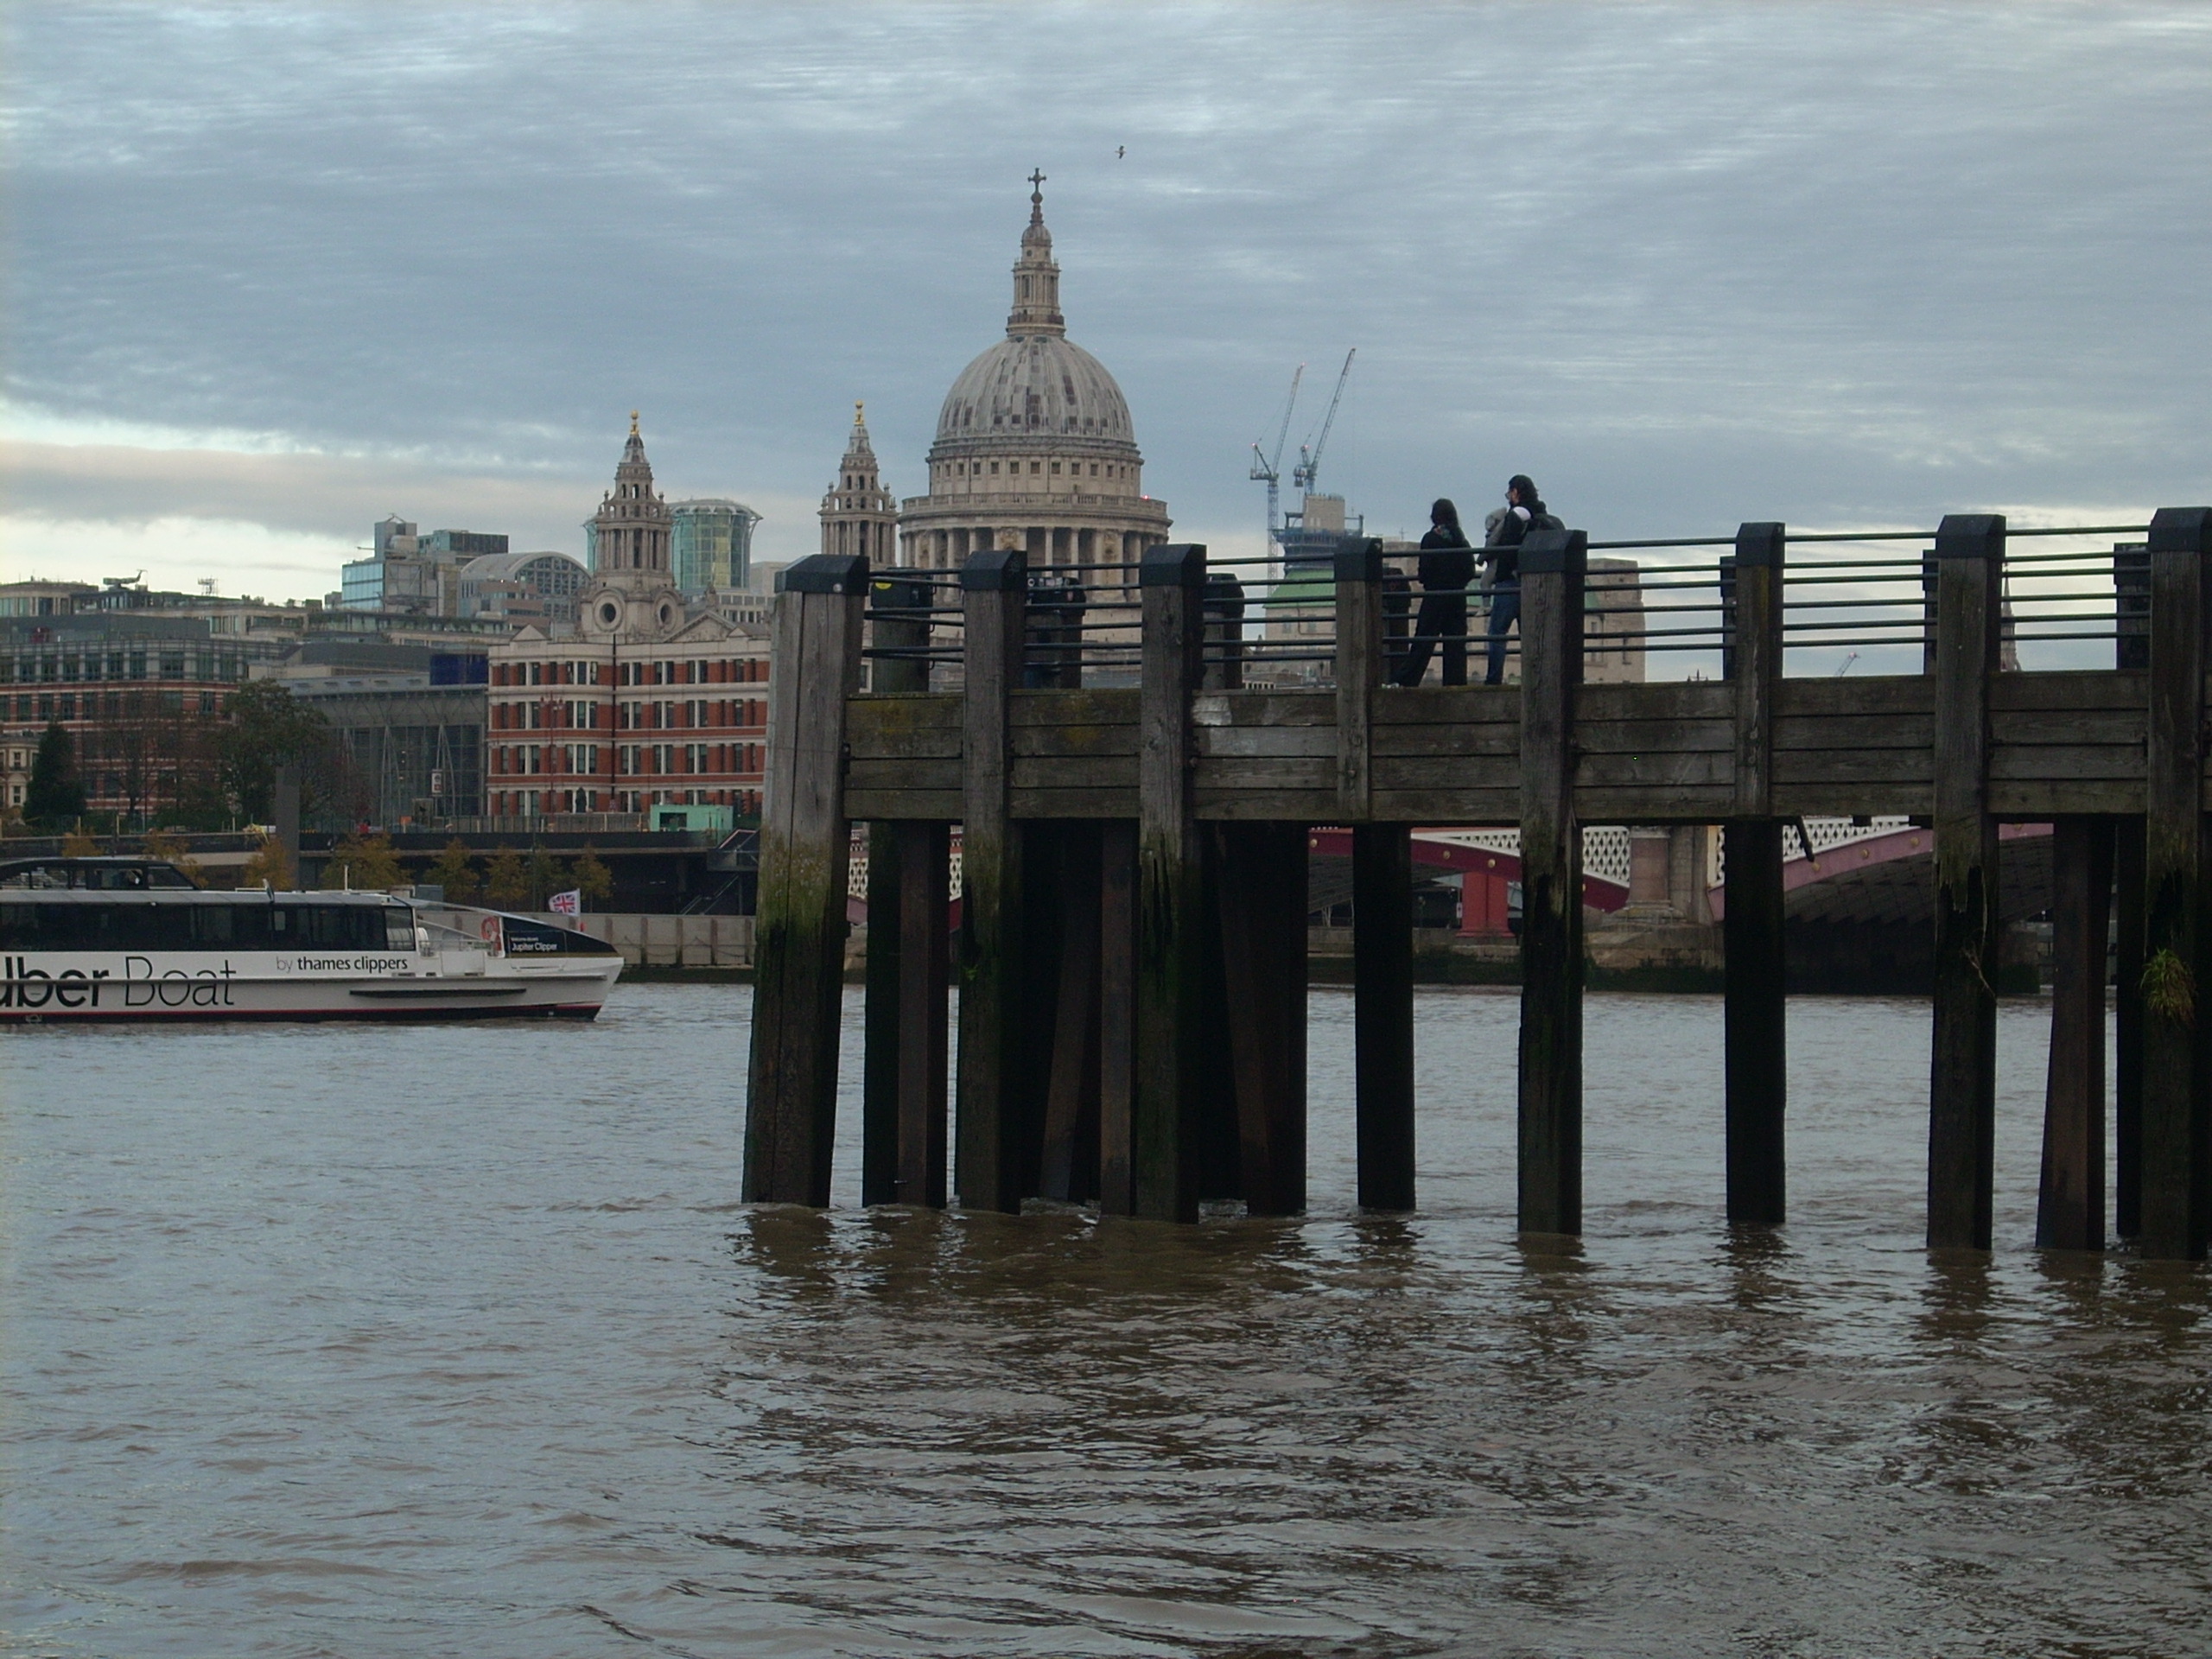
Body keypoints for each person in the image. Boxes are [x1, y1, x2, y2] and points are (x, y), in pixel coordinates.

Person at [1393, 499, 1475, 687]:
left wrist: (1428, 581)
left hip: (1435, 596)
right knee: (1455, 645)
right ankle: (1455, 685)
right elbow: (1470, 570)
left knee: (1423, 641)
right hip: (1457, 598)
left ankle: (1407, 680)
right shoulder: (1461, 540)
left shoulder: (1430, 539)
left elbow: (1425, 570)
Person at [1481, 474, 1544, 684]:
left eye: (1510, 493)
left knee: (1497, 632)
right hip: (1532, 582)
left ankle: (1493, 681)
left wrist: (1501, 573)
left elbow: (1506, 548)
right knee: (1530, 634)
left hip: (1509, 581)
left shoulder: (1516, 515)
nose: (1509, 497)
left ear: (1516, 492)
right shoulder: (1539, 513)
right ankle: (1535, 680)